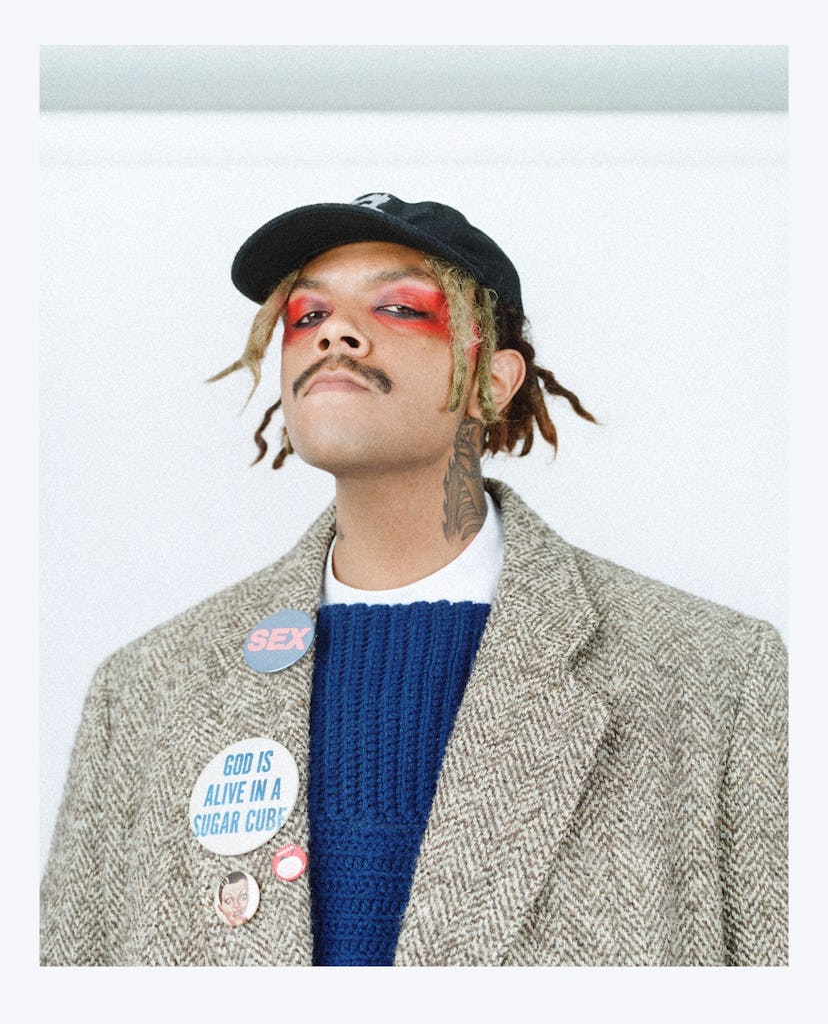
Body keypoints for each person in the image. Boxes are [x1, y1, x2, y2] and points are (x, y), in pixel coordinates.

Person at [40, 192, 787, 967]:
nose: (334, 331)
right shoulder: (146, 694)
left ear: (493, 381)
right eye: (305, 317)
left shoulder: (713, 676)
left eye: (399, 306)